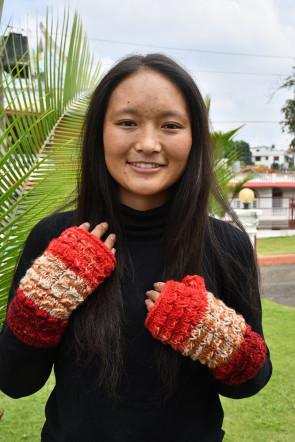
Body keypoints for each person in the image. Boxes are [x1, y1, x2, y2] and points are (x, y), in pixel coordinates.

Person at [0, 53, 272, 442]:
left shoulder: (226, 245)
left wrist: (216, 334)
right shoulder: (55, 238)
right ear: (100, 133)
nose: (147, 143)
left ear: (194, 139)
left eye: (171, 125)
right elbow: (15, 381)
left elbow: (249, 384)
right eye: (127, 123)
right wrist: (43, 301)